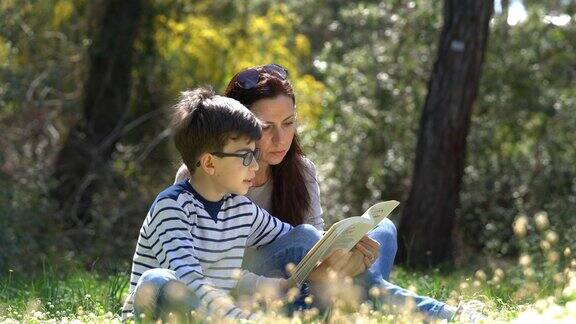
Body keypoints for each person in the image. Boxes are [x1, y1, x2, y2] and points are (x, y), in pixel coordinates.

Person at [175, 64, 485, 322]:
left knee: (383, 230)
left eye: (289, 123)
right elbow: (200, 269)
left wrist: (343, 262)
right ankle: (441, 315)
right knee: (304, 237)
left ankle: (353, 297)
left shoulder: (301, 171)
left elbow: (317, 251)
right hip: (249, 296)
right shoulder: (204, 174)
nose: (280, 138)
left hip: (306, 287)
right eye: (265, 126)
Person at [122, 87, 346, 322]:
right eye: (246, 157)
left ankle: (338, 308)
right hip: (178, 309)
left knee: (306, 236)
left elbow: (296, 238)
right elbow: (189, 278)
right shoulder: (172, 208)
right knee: (158, 281)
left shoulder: (240, 209)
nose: (256, 167)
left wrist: (340, 248)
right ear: (209, 163)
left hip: (218, 312)